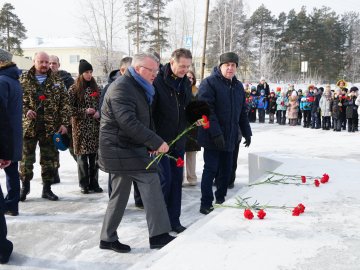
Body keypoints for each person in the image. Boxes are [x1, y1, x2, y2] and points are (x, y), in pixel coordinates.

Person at [98, 52, 175, 252]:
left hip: (126, 148)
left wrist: (150, 143)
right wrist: (156, 142)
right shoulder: (122, 88)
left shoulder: (138, 87)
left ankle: (107, 238)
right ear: (140, 68)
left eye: (157, 71)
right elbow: (128, 122)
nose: (155, 75)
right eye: (152, 71)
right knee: (151, 181)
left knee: (119, 195)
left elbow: (143, 120)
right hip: (121, 149)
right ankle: (158, 235)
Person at [197, 52, 252, 215]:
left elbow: (242, 112)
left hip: (230, 136)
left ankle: (220, 199)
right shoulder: (209, 83)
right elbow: (207, 110)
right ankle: (205, 203)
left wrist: (247, 132)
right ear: (220, 66)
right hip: (212, 137)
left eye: (233, 65)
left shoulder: (238, 86)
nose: (230, 68)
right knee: (211, 169)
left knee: (227, 171)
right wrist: (216, 133)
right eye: (227, 65)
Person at [19, 51, 70, 201]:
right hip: (29, 127)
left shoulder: (57, 80)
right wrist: (25, 110)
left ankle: (47, 189)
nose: (44, 65)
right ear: (34, 61)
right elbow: (15, 101)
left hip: (51, 127)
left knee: (50, 159)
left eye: (47, 62)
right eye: (41, 62)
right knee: (26, 159)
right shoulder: (23, 79)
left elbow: (65, 104)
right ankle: (25, 187)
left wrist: (64, 123)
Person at [152, 48, 193, 233]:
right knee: (164, 182)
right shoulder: (158, 81)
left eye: (187, 66)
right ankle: (160, 224)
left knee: (177, 182)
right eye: (182, 66)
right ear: (172, 62)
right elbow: (150, 114)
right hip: (161, 143)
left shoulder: (185, 82)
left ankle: (174, 221)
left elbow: (187, 107)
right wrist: (153, 141)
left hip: (179, 142)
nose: (184, 70)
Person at [0, 48, 22, 264]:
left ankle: (12, 203)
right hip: (10, 139)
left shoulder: (2, 81)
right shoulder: (12, 78)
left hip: (5, 140)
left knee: (11, 174)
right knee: (12, 173)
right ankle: (12, 204)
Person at [68, 59, 103, 194]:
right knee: (82, 158)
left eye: (90, 72)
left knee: (94, 158)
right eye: (86, 72)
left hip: (94, 128)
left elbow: (102, 104)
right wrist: (84, 111)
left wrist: (99, 112)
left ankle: (94, 183)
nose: (89, 75)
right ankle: (84, 184)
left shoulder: (97, 87)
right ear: (81, 73)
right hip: (80, 129)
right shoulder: (74, 89)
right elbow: (68, 108)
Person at [49, 55, 76, 184]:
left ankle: (85, 172)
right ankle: (54, 175)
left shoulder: (67, 79)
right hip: (51, 121)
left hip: (67, 120)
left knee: (73, 147)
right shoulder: (43, 79)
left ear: (59, 65)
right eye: (49, 63)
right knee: (52, 149)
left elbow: (73, 99)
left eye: (54, 63)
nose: (51, 65)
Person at [183, 70, 200, 186]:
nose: (189, 79)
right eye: (187, 77)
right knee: (179, 154)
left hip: (193, 127)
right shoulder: (180, 89)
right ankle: (179, 178)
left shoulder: (196, 91)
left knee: (191, 154)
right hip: (181, 126)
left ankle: (192, 177)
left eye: (191, 78)